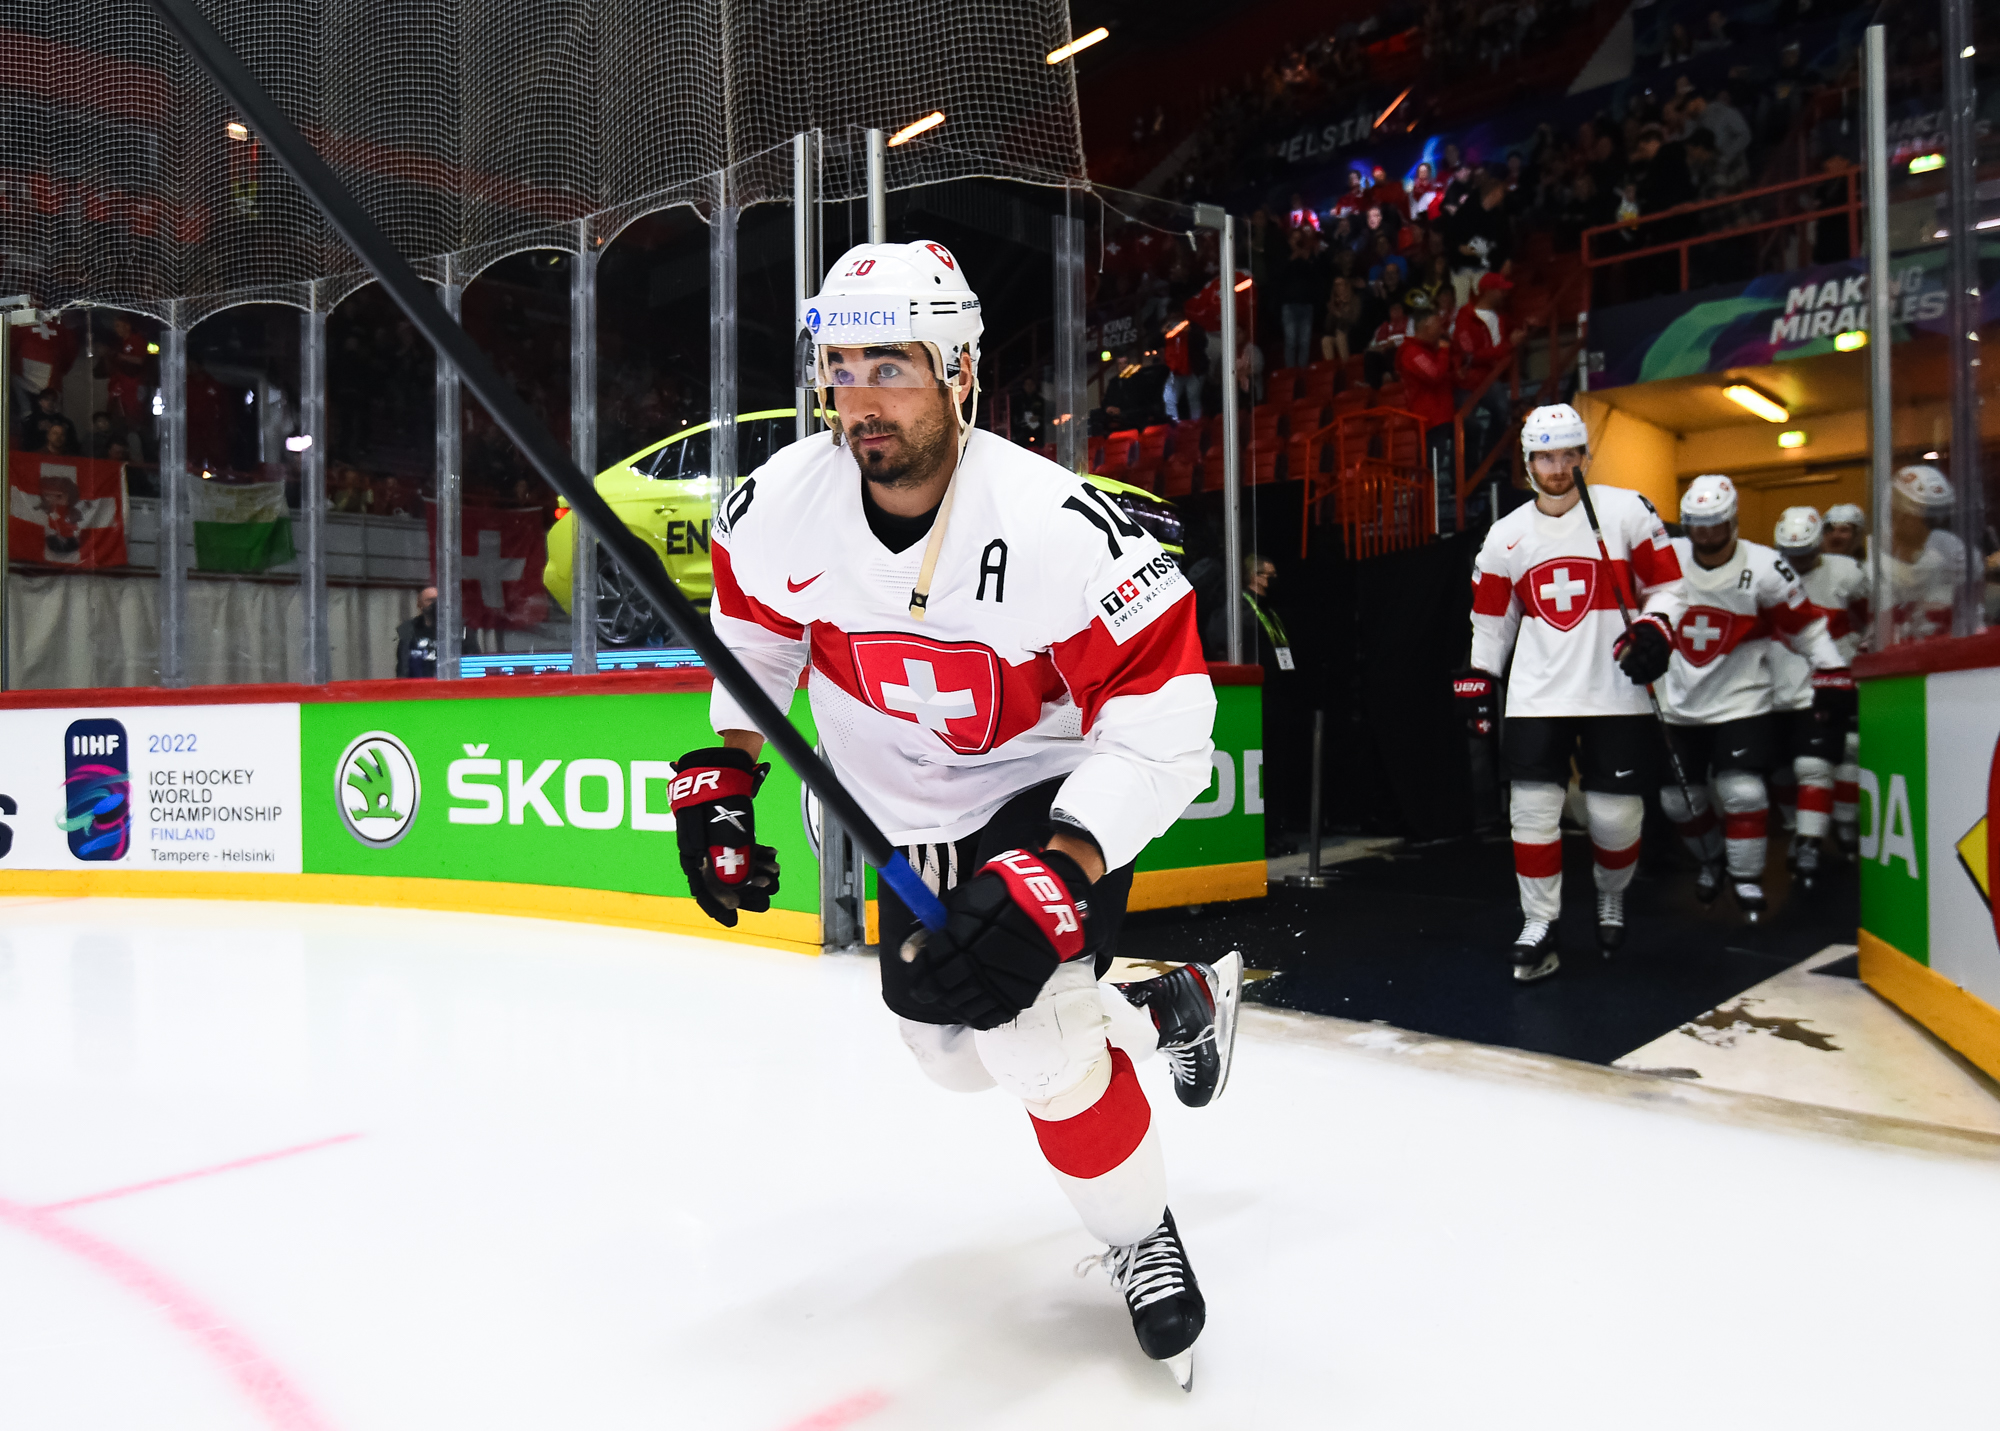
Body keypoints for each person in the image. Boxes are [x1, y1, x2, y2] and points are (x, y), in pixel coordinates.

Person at [671, 239, 1238, 1389]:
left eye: (893, 365)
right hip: (903, 817)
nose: (860, 397)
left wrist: (1064, 863)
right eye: (840, 364)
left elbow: (1170, 720)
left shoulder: (1052, 525)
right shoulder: (783, 505)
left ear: (960, 370)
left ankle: (1140, 1234)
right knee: (947, 1048)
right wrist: (726, 774)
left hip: (1041, 797)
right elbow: (758, 644)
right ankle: (1168, 1006)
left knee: (1035, 1040)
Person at [1458, 403, 1686, 980]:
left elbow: (1667, 587)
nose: (1557, 467)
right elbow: (1491, 624)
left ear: (1585, 456)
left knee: (1615, 820)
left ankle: (1611, 896)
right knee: (1531, 815)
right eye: (1545, 456)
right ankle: (1540, 921)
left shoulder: (1627, 510)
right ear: (1528, 463)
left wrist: (1656, 630)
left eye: (1567, 455)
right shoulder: (1505, 536)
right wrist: (1479, 680)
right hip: (1537, 695)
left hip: (1616, 690)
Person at [1655, 477, 1851, 920]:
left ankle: (1747, 880)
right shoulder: (1667, 559)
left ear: (1733, 521)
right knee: (1676, 799)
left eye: (1714, 524)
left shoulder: (1766, 567)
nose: (1705, 534)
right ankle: (1711, 860)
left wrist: (1832, 669)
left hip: (1742, 700)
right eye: (1696, 525)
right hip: (1677, 701)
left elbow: (1805, 626)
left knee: (1741, 791)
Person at [1768, 506, 1870, 872]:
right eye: (1790, 554)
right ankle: (1798, 829)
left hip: (1829, 682)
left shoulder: (1847, 573)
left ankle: (1839, 826)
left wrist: (1853, 650)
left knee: (1837, 755)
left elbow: (1868, 617)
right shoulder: (1767, 573)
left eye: (1806, 553)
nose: (1798, 561)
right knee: (1778, 767)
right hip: (1776, 686)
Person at [1396, 302, 1462, 530]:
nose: (1441, 327)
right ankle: (1419, 524)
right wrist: (1444, 350)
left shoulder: (1430, 350)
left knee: (1469, 432)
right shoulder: (1411, 352)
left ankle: (1455, 488)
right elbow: (1434, 374)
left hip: (1444, 415)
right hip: (1431, 420)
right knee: (1429, 473)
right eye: (1436, 323)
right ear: (1424, 326)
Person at [1882, 463, 1965, 643]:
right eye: (1923, 519)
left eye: (1936, 519)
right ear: (1897, 513)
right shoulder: (1874, 557)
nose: (1929, 528)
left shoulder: (1948, 546)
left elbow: (1970, 601)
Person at [1453, 272, 1523, 472]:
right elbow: (1471, 356)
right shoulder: (1465, 316)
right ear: (1489, 291)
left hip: (1490, 378)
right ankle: (1473, 471)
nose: (1504, 294)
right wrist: (1508, 346)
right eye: (1500, 290)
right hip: (1468, 382)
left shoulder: (1501, 318)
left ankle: (1488, 462)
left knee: (1502, 411)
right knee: (1469, 427)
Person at [394, 586, 481, 677]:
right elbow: (403, 668)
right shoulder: (410, 631)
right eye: (430, 600)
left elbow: (474, 664)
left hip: (454, 686)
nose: (436, 604)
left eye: (438, 600)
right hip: (419, 686)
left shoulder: (460, 631)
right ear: (420, 605)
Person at [1276, 225, 1329, 371]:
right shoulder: (1284, 256)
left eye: (1300, 239)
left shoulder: (1308, 256)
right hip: (1289, 305)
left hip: (1307, 305)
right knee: (1291, 341)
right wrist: (1292, 258)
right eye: (1294, 239)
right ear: (1289, 241)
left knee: (1305, 342)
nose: (1297, 242)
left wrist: (1307, 258)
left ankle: (1303, 373)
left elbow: (1317, 277)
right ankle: (1291, 373)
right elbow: (1278, 277)